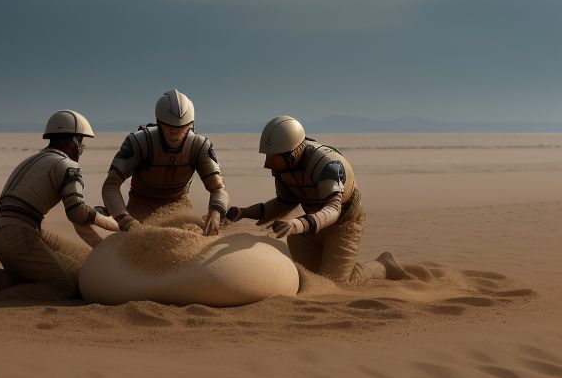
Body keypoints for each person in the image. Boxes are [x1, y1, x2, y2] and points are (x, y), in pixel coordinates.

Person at [226, 115, 409, 285]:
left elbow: (333, 210)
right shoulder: (284, 169)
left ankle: (383, 266)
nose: (267, 164)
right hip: (311, 222)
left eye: (273, 157)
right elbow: (283, 203)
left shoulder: (327, 167)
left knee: (334, 285)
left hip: (344, 223)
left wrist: (297, 225)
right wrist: (244, 212)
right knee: (309, 277)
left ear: (292, 154)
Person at [0, 110, 119, 300]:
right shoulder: (67, 165)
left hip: (1, 231)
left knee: (74, 268)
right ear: (72, 143)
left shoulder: (31, 160)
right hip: (19, 235)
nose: (81, 148)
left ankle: (1, 279)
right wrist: (114, 223)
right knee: (64, 288)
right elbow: (77, 212)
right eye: (81, 142)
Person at [102, 88, 229, 236]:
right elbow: (111, 185)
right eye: (169, 127)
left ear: (191, 125)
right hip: (139, 210)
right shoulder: (139, 142)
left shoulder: (199, 146)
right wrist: (125, 220)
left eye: (181, 128)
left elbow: (218, 189)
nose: (175, 133)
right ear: (159, 122)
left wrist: (216, 211)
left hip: (179, 209)